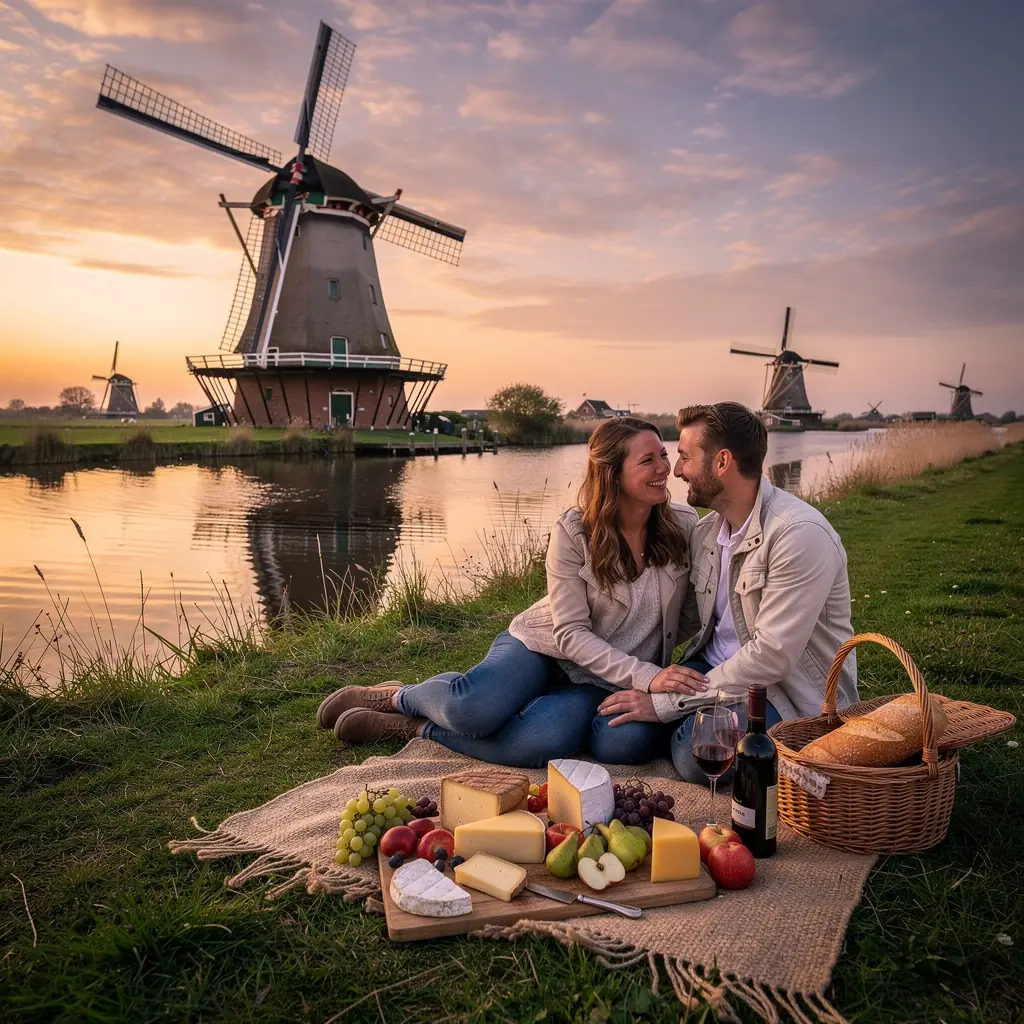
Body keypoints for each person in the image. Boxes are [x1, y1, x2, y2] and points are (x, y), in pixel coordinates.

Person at [315, 417, 708, 768]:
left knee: (537, 742)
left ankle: (416, 728)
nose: (665, 468)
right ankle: (399, 698)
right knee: (471, 709)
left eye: (663, 454)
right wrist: (648, 675)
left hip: (604, 678)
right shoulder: (574, 531)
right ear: (612, 474)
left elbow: (694, 613)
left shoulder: (684, 526)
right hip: (543, 645)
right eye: (647, 460)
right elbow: (570, 633)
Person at [658, 401, 859, 783]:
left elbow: (772, 657)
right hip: (714, 669)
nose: (677, 470)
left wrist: (667, 704)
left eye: (685, 457)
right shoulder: (707, 533)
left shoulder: (798, 534)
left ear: (722, 462)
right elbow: (687, 619)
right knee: (623, 735)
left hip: (783, 691)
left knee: (691, 753)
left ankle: (802, 758)